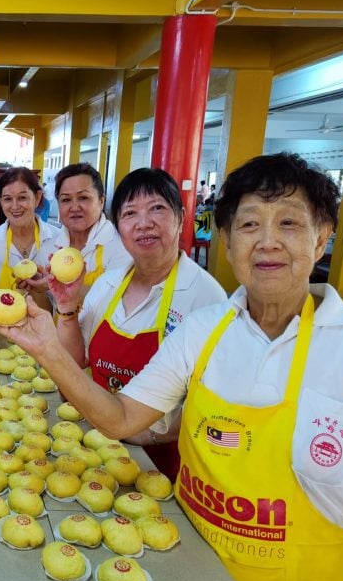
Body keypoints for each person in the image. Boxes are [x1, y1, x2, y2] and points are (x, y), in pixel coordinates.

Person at [0, 153, 343, 581]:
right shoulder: (205, 331)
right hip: (189, 565)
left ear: (322, 236)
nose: (267, 241)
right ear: (226, 239)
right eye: (248, 224)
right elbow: (122, 418)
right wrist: (50, 352)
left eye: (289, 223)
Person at [52, 168, 225, 479]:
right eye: (130, 213)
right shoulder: (108, 285)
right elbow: (76, 361)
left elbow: (213, 405)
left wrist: (146, 437)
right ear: (119, 227)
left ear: (181, 216)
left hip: (160, 462)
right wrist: (66, 307)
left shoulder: (206, 297)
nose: (144, 223)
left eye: (157, 208)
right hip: (94, 446)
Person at [0, 167, 60, 311]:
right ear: (0, 201)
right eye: (7, 199)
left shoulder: (58, 240)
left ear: (37, 198)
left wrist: (36, 288)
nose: (15, 206)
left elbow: (56, 307)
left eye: (22, 198)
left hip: (42, 330)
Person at [47, 163, 131, 293]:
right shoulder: (49, 248)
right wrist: (37, 289)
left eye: (83, 198)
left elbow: (114, 298)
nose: (74, 207)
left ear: (101, 201)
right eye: (66, 200)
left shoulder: (121, 247)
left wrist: (55, 288)